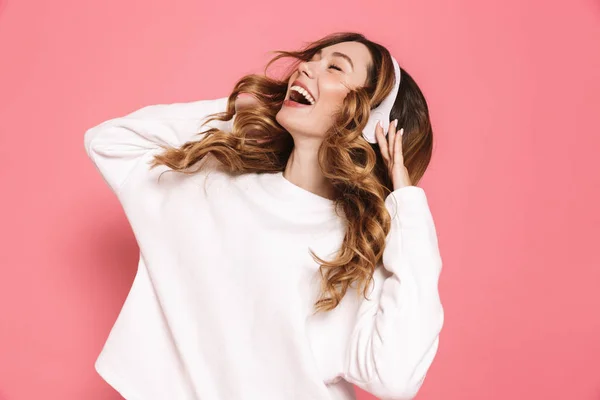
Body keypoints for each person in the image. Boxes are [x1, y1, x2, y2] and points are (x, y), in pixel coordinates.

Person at [84, 31, 444, 400]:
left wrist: (408, 205)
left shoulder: (359, 249)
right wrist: (245, 115)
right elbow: (109, 141)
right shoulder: (210, 189)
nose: (306, 66)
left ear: (369, 121)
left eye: (335, 67)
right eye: (313, 58)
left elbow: (395, 379)